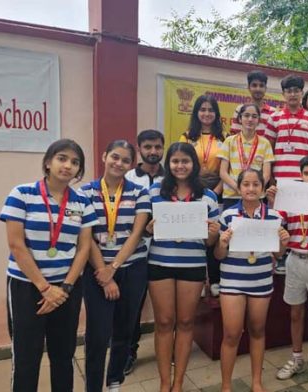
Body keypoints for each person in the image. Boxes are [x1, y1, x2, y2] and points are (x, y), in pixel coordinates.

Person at [0, 139, 98, 391]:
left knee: (63, 356)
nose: (68, 166)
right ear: (48, 162)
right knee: (26, 358)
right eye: (62, 158)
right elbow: (16, 245)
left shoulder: (81, 202)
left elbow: (84, 247)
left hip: (67, 289)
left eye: (75, 162)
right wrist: (45, 288)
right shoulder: (22, 193)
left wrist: (64, 288)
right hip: (27, 286)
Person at [145, 142, 221, 392]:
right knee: (164, 322)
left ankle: (178, 383)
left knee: (186, 322)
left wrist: (213, 233)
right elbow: (145, 229)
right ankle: (164, 382)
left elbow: (210, 243)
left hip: (192, 265)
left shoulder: (208, 196)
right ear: (169, 164)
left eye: (185, 161)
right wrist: (149, 228)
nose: (180, 166)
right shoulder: (155, 191)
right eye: (175, 161)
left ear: (194, 164)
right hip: (160, 264)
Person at [80, 140, 151, 392]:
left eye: (125, 160)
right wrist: (106, 274)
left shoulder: (139, 193)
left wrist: (115, 266)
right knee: (97, 335)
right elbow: (85, 237)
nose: (118, 163)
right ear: (104, 156)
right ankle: (93, 387)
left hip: (133, 269)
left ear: (131, 165)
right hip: (96, 271)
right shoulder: (85, 192)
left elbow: (137, 232)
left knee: (124, 330)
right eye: (115, 157)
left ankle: (114, 382)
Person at [215, 168, 290, 392]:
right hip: (232, 281)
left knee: (258, 330)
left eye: (255, 184)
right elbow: (218, 256)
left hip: (261, 281)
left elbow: (278, 255)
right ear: (239, 188)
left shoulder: (275, 217)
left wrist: (284, 243)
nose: (250, 188)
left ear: (263, 188)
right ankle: (226, 386)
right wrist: (222, 243)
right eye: (246, 184)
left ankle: (256, 382)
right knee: (231, 333)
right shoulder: (228, 215)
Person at [267, 155, 308, 386]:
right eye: (306, 173)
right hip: (294, 259)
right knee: (295, 313)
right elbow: (275, 222)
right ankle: (296, 358)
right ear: (300, 175)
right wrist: (274, 202)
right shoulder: (290, 200)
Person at [124, 129, 165, 374]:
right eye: (148, 147)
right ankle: (129, 351)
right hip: (136, 250)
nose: (153, 151)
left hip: (164, 249)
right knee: (133, 305)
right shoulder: (128, 176)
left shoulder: (171, 176)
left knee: (166, 306)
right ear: (139, 149)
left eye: (157, 147)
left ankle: (167, 349)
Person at [265, 74, 308, 180]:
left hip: (304, 178)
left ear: (302, 93)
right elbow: (269, 151)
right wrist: (271, 179)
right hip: (279, 177)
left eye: (296, 91)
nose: (293, 94)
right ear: (283, 94)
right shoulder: (274, 118)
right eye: (289, 91)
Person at [219, 103, 274, 209]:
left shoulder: (265, 143)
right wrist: (240, 188)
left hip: (256, 196)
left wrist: (253, 189)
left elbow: (266, 174)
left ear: (258, 121)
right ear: (240, 118)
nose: (250, 119)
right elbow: (223, 172)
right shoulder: (229, 141)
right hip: (232, 195)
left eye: (254, 116)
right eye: (246, 115)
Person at [179, 94, 225, 195]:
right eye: (203, 110)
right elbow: (181, 165)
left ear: (216, 113)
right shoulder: (186, 137)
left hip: (219, 190)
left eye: (211, 110)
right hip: (192, 188)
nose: (207, 113)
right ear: (196, 112)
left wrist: (216, 192)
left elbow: (229, 168)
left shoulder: (225, 138)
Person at [230, 70, 276, 137]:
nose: (258, 89)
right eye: (254, 85)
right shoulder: (240, 109)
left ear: (265, 88)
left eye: (261, 86)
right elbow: (234, 135)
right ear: (249, 88)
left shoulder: (273, 113)